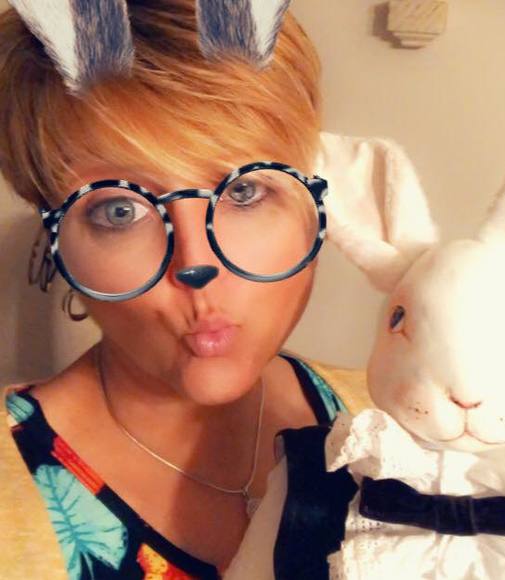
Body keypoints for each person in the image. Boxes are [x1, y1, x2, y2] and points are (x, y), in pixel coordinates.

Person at [0, 1, 372, 578]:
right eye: (120, 211)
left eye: (245, 192)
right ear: (58, 244)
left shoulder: (403, 424)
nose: (197, 266)